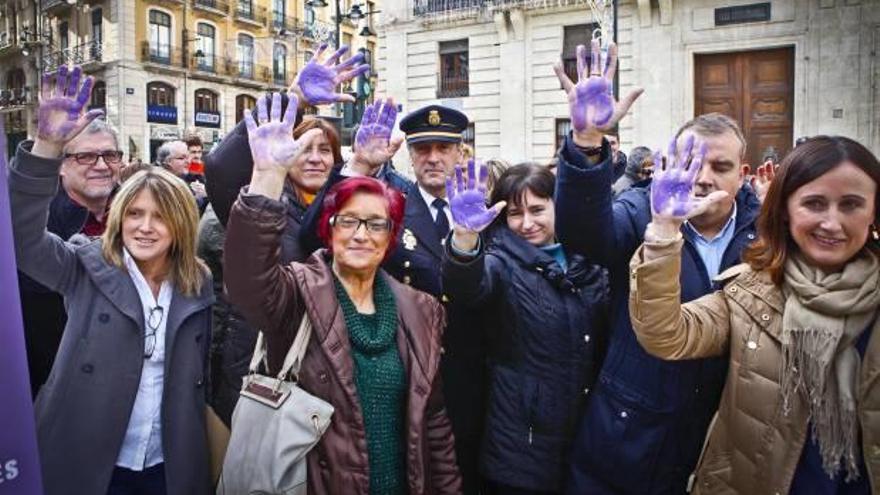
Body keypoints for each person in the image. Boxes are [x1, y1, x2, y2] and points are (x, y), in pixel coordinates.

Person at [223, 92, 462, 494]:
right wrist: (266, 176)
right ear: (328, 230)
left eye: (375, 224)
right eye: (348, 220)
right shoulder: (298, 292)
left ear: (391, 239)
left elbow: (434, 428)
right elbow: (248, 280)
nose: (360, 234)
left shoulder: (420, 311)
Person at [552, 41, 757, 494]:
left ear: (742, 173)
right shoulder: (644, 208)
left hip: (719, 443)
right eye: (693, 162)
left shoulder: (766, 235)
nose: (704, 177)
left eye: (721, 167)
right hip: (628, 436)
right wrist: (586, 143)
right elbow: (585, 236)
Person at [627, 135, 880, 494]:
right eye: (814, 203)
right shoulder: (749, 292)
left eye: (851, 204)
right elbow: (665, 335)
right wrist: (664, 232)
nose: (832, 223)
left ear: (873, 212)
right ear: (785, 210)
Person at [10, 65, 213, 495]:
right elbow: (21, 239)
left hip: (168, 462)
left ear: (180, 225)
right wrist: (47, 146)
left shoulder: (198, 281)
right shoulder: (85, 264)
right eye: (135, 214)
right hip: (88, 458)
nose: (144, 227)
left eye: (160, 217)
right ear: (119, 220)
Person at [302, 100, 488, 493]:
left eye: (444, 148)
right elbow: (313, 237)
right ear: (410, 153)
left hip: (468, 378)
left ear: (461, 152)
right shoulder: (386, 204)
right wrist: (358, 167)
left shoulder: (483, 208)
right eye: (423, 149)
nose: (433, 158)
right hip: (404, 378)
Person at [443, 161, 609, 494]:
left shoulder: (586, 261)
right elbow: (468, 287)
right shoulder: (500, 262)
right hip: (520, 448)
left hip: (584, 438)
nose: (527, 223)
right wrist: (464, 239)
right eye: (516, 213)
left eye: (537, 209)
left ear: (556, 206)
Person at [202, 116, 342, 425]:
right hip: (257, 363)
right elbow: (221, 172)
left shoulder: (347, 210)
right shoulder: (262, 200)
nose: (315, 158)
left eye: (325, 150)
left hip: (324, 366)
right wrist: (294, 98)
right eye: (304, 149)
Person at [19, 116, 123, 396]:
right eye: (86, 156)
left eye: (110, 155)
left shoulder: (139, 215)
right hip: (51, 380)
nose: (101, 166)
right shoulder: (36, 219)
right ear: (61, 166)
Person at [157, 140, 208, 212]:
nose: (188, 161)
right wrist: (203, 197)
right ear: (167, 161)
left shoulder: (186, 176)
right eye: (182, 158)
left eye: (187, 157)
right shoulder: (159, 183)